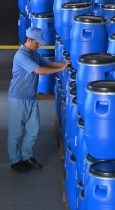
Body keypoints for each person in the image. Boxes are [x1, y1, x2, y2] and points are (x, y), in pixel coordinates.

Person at [8, 27, 70, 173]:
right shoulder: (21, 56)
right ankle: (15, 161)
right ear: (29, 40)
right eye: (37, 42)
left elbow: (47, 64)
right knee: (15, 132)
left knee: (34, 129)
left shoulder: (34, 53)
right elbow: (39, 71)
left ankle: (27, 156)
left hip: (30, 97)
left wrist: (64, 64)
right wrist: (60, 70)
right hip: (18, 98)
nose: (39, 45)